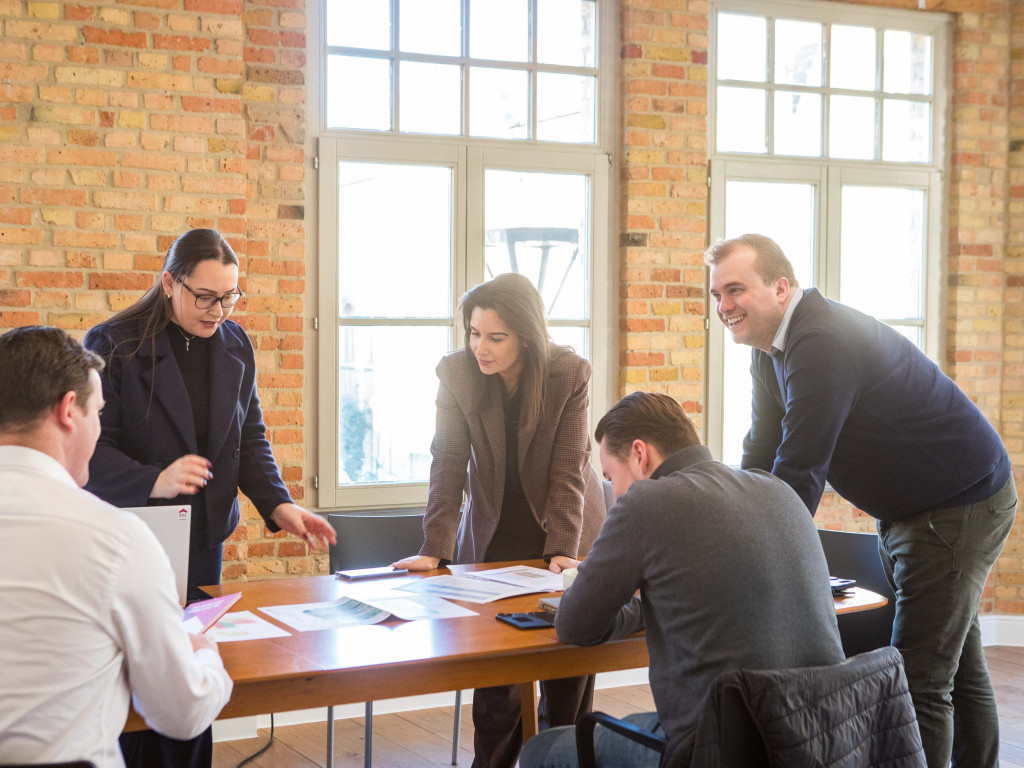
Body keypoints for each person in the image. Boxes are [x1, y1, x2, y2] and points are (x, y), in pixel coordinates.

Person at [706, 233, 1017, 768]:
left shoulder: (819, 341)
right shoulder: (770, 350)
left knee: (919, 682)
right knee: (956, 669)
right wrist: (729, 529)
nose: (723, 306)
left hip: (956, 507)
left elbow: (801, 469)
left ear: (781, 288)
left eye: (735, 290)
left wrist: (756, 559)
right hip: (921, 508)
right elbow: (760, 454)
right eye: (715, 295)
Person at [82, 228, 336, 767]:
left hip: (200, 538)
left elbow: (248, 438)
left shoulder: (234, 342)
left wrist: (279, 505)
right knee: (136, 691)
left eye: (230, 296)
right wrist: (155, 478)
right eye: (205, 296)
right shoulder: (114, 343)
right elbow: (87, 449)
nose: (219, 309)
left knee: (191, 679)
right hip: (136, 536)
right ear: (170, 282)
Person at [518, 391, 845, 768]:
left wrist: (629, 602)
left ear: (640, 454)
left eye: (611, 478)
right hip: (821, 738)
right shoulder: (778, 490)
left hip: (719, 747)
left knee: (541, 751)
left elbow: (574, 624)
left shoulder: (646, 503)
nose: (614, 494)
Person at [392, 272, 607, 768]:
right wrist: (434, 548)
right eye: (473, 333)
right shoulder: (458, 375)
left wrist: (561, 549)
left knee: (567, 685)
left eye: (495, 337)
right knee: (497, 693)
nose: (479, 347)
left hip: (567, 529)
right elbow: (446, 461)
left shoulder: (567, 373)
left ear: (526, 335)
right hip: (494, 535)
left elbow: (570, 467)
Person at [0, 326, 233, 768]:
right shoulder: (115, 539)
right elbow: (183, 713)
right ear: (70, 410)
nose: (99, 428)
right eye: (99, 412)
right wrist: (205, 657)